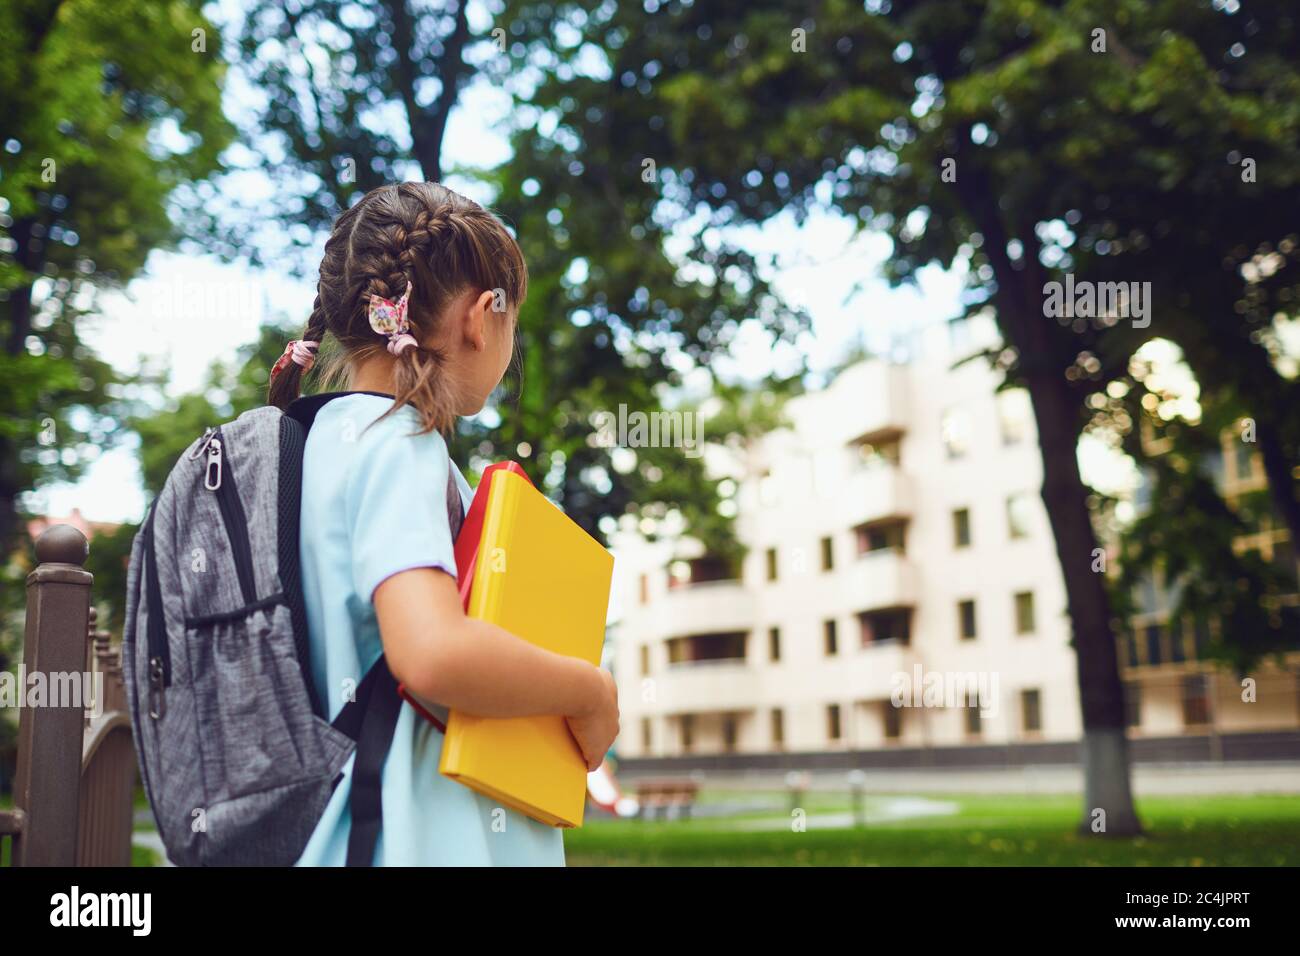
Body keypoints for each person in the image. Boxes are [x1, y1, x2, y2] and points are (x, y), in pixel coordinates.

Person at [267, 181, 620, 865]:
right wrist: (590, 688)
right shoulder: (399, 446)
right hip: (418, 838)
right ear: (482, 315)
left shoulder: (315, 446)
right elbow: (431, 653)